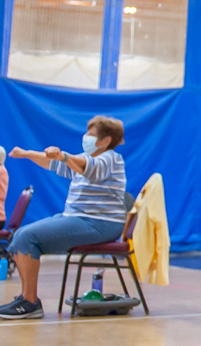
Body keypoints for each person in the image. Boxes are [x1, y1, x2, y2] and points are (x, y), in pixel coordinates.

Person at [0, 117, 128, 320]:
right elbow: (54, 163)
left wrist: (64, 156)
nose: (85, 138)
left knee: (27, 238)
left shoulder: (111, 159)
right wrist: (26, 154)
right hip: (78, 218)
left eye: (91, 135)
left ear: (106, 141)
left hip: (100, 223)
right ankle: (26, 297)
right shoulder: (85, 158)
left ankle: (30, 303)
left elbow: (86, 166)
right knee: (19, 236)